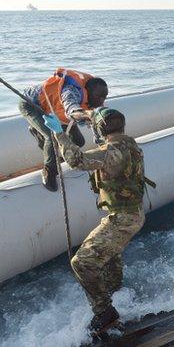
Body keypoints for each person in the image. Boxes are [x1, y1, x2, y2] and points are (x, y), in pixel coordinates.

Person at [42, 107, 152, 337]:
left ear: (101, 130)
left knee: (82, 263)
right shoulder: (129, 144)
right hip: (132, 215)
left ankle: (105, 313)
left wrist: (59, 134)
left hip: (122, 219)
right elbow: (104, 123)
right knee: (109, 260)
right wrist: (87, 116)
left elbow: (77, 160)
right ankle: (120, 301)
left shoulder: (110, 152)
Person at [20, 68, 108, 191]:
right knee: (51, 137)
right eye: (99, 97)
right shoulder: (71, 91)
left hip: (53, 108)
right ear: (88, 92)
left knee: (79, 141)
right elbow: (70, 108)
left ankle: (41, 135)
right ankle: (48, 172)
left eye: (104, 97)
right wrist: (87, 115)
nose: (101, 101)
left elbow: (93, 124)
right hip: (32, 104)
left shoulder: (94, 96)